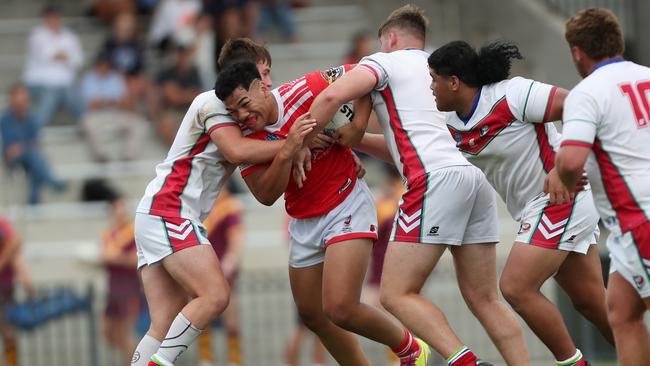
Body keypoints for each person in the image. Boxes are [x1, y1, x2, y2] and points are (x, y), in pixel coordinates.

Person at [306, 4, 527, 365]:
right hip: (474, 178)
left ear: (390, 38)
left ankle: (463, 361)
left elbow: (331, 97)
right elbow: (403, 147)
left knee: (395, 294)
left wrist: (299, 141)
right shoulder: (438, 71)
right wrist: (353, 139)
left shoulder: (382, 62)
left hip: (434, 180)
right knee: (485, 299)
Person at [215, 61, 430, 366]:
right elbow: (264, 195)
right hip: (304, 221)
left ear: (261, 87)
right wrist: (289, 149)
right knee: (313, 316)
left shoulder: (304, 90)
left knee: (341, 308)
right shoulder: (244, 136)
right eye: (233, 112)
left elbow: (366, 72)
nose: (242, 116)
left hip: (346, 204)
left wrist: (357, 127)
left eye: (244, 104)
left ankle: (411, 349)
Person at [427, 40, 614, 366]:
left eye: (433, 79)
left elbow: (578, 105)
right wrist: (352, 141)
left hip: (560, 199)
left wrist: (567, 166)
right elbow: (408, 151)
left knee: (515, 287)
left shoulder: (510, 94)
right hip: (538, 211)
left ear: (453, 81)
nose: (430, 87)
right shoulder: (453, 123)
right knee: (591, 304)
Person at [130, 37, 315, 366]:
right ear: (248, 72)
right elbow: (238, 151)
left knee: (163, 323)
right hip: (170, 209)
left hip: (158, 212)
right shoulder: (212, 103)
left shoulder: (242, 112)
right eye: (265, 72)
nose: (270, 82)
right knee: (215, 295)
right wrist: (295, 143)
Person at [555, 8, 650, 366]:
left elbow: (570, 160)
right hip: (630, 229)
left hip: (640, 219)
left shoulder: (587, 93)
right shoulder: (647, 76)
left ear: (578, 52)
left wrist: (562, 179)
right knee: (623, 312)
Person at [82, 180, 142, 365]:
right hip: (113, 288)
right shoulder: (108, 234)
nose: (119, 211)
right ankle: (141, 357)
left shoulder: (134, 231)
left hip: (129, 287)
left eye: (121, 206)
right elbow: (105, 259)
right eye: (115, 207)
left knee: (126, 333)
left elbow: (137, 259)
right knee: (107, 332)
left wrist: (116, 258)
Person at [197, 184, 244, 366]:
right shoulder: (199, 204)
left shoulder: (228, 205)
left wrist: (231, 259)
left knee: (231, 321)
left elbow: (236, 236)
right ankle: (206, 358)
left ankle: (234, 359)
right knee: (201, 318)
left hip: (222, 271)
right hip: (201, 270)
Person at [1, 83, 65, 204]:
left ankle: (33, 202)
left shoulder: (31, 118)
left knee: (35, 164)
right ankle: (52, 182)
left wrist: (22, 147)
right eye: (20, 97)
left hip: (28, 157)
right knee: (36, 158)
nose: (23, 100)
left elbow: (36, 143)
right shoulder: (5, 120)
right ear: (12, 99)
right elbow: (9, 149)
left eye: (25, 97)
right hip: (11, 161)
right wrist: (25, 146)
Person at [79, 52, 148, 162]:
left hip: (116, 114)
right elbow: (92, 105)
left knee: (140, 124)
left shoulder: (115, 78)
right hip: (97, 116)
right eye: (101, 65)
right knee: (87, 122)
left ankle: (128, 156)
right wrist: (111, 101)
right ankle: (101, 156)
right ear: (96, 65)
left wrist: (105, 101)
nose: (103, 68)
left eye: (106, 65)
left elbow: (124, 102)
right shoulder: (89, 79)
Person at [22, 5, 83, 128]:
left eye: (56, 17)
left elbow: (79, 61)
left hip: (64, 84)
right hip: (38, 83)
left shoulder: (69, 36)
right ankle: (35, 130)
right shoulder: (36, 34)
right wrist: (65, 56)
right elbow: (46, 55)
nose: (53, 20)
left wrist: (62, 56)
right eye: (50, 17)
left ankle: (87, 125)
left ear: (60, 18)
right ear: (44, 19)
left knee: (73, 94)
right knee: (51, 94)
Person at [152, 42, 203, 145]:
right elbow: (172, 98)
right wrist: (187, 94)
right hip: (172, 111)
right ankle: (174, 157)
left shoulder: (194, 72)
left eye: (184, 53)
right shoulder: (166, 73)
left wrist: (179, 94)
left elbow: (198, 95)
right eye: (179, 53)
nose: (182, 56)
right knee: (166, 125)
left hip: (190, 111)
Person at [0, 216, 34, 366]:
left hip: (4, 287)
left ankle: (12, 364)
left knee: (8, 333)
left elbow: (16, 241)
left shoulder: (2, 224)